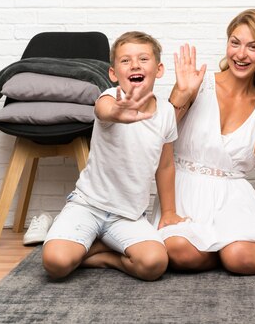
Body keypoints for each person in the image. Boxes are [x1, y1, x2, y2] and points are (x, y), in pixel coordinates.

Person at [155, 9, 255, 275]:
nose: (240, 54)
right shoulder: (197, 83)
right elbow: (161, 139)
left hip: (232, 199)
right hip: (185, 193)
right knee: (179, 251)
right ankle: (224, 253)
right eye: (235, 43)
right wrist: (181, 96)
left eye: (253, 47)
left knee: (241, 259)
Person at [42, 31, 183, 281]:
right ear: (113, 74)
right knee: (56, 263)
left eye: (143, 59)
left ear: (159, 69)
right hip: (88, 206)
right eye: (125, 60)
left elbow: (166, 165)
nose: (135, 65)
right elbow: (103, 110)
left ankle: (99, 253)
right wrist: (117, 112)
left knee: (155, 264)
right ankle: (83, 246)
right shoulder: (110, 98)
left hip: (128, 215)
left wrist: (169, 212)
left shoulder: (167, 112)